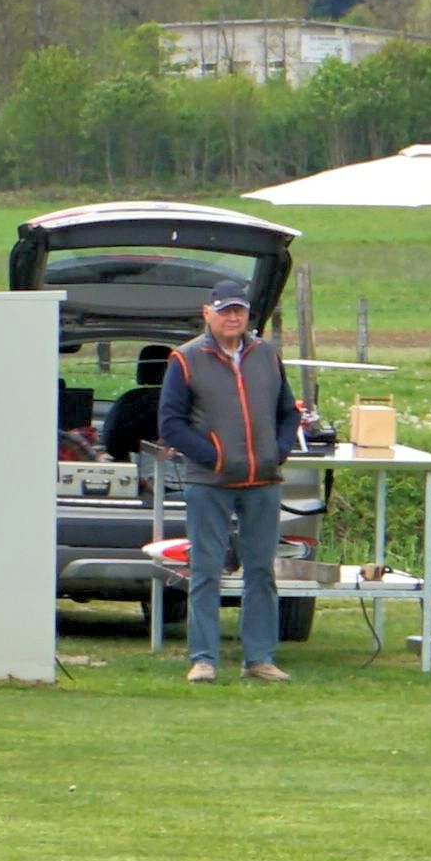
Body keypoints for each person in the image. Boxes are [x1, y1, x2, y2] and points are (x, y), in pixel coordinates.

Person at [148, 283, 309, 684]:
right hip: (210, 482)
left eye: (238, 311)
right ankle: (203, 659)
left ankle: (259, 658)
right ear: (207, 313)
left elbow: (288, 412)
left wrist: (279, 450)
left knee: (261, 572)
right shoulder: (184, 360)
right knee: (205, 570)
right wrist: (214, 458)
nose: (232, 318)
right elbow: (171, 424)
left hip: (263, 481)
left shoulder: (267, 355)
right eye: (224, 311)